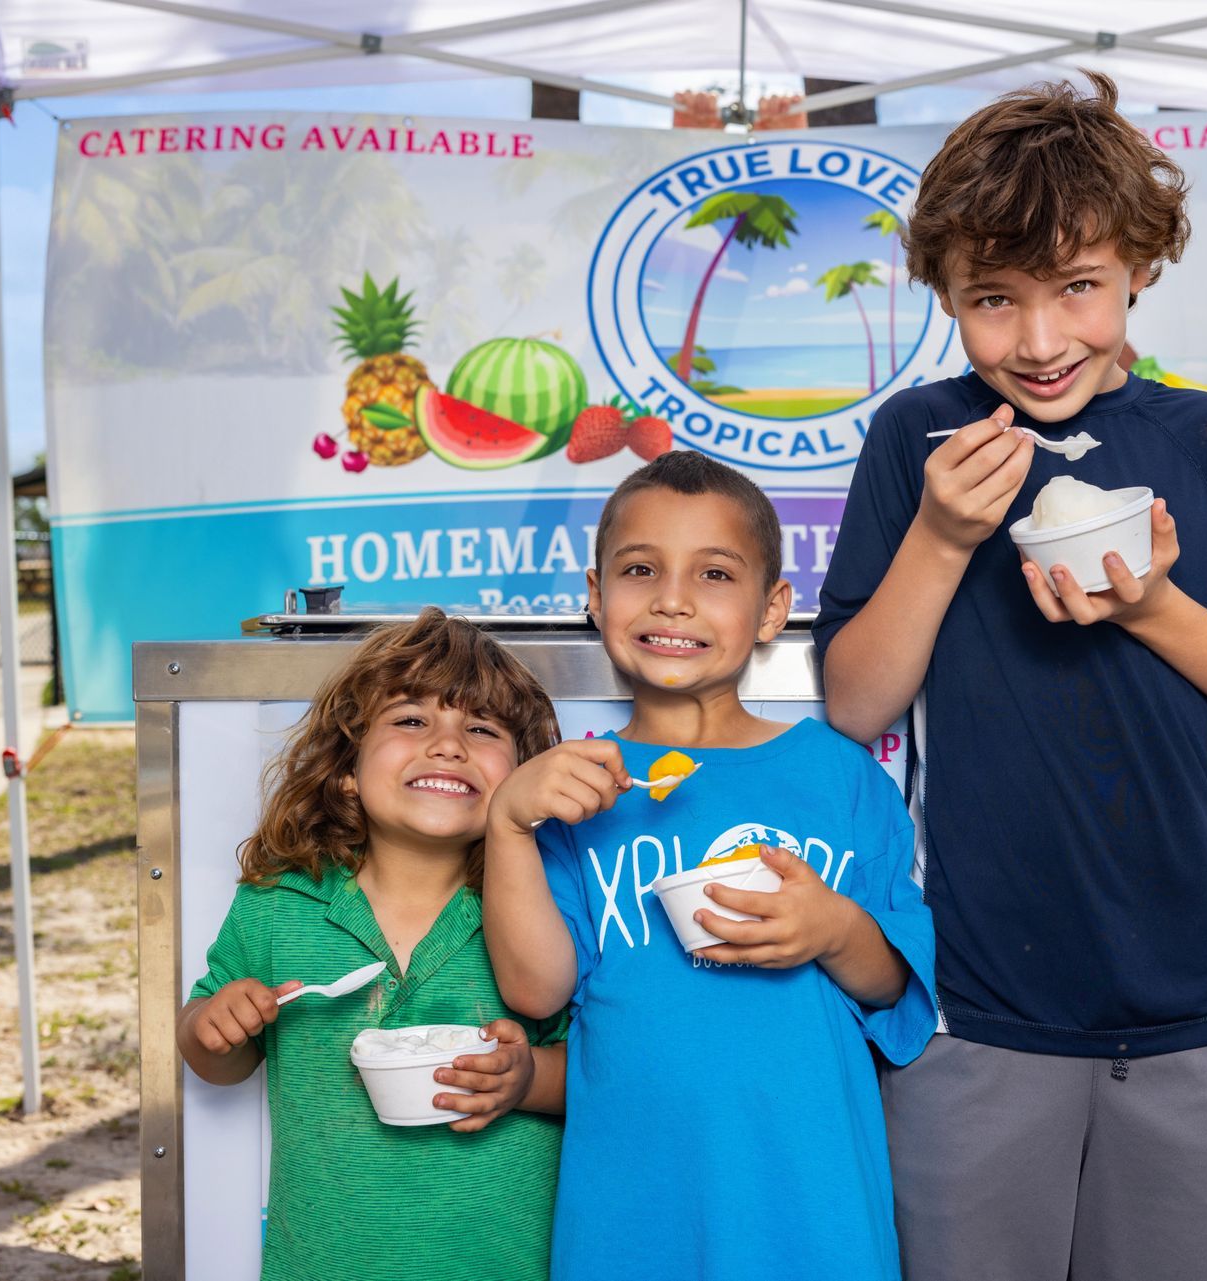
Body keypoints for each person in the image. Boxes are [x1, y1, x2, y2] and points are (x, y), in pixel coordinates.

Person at [814, 72, 1207, 1281]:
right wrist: (946, 536)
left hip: (1186, 1007)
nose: (1040, 341)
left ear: (1140, 269)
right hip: (968, 1009)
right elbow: (857, 701)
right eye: (993, 301)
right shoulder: (919, 441)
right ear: (945, 291)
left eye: (1078, 289)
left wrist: (1152, 608)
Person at [481, 451, 937, 1280]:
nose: (673, 598)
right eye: (640, 568)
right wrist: (510, 821)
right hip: (634, 1216)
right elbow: (535, 988)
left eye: (715, 573)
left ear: (771, 611)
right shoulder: (572, 789)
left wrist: (832, 929)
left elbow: (893, 986)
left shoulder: (841, 778)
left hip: (814, 1208)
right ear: (595, 596)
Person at [176, 608, 569, 1281]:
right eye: (411, 720)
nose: (448, 744)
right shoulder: (279, 902)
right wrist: (216, 1025)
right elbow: (212, 1058)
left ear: (524, 777)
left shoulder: (542, 914)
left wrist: (528, 1076)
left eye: (481, 728)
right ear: (347, 767)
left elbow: (601, 1071)